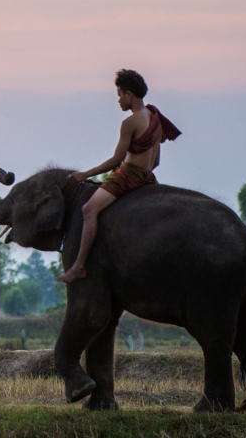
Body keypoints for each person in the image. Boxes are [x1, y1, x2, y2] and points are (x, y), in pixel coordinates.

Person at [59, 68, 181, 283]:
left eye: (119, 95)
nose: (118, 100)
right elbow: (156, 162)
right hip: (147, 177)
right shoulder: (155, 117)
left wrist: (85, 174)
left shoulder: (130, 123)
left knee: (88, 209)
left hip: (128, 176)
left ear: (129, 95)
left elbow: (116, 160)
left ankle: (79, 266)